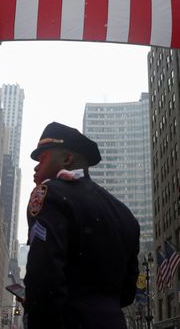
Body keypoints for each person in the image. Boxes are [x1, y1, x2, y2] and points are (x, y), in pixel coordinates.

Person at [23, 122, 140, 329]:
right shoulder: (125, 214)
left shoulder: (50, 194)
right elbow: (128, 292)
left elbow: (43, 276)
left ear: (67, 159)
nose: (36, 166)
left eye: (43, 158)